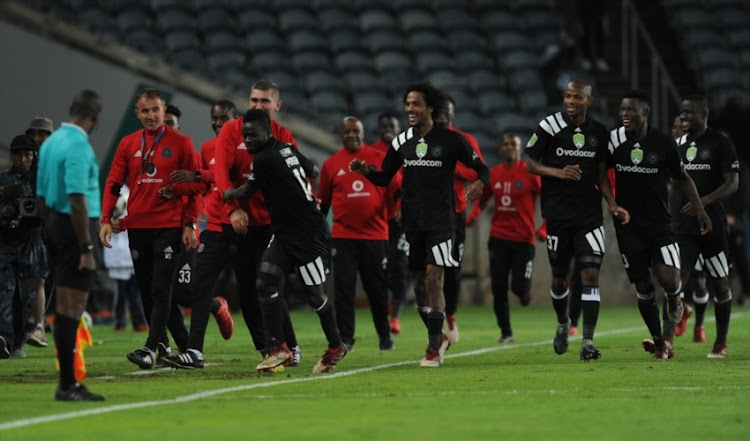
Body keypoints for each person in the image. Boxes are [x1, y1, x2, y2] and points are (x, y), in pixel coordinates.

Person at [349, 82, 489, 367]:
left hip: (441, 222)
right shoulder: (401, 142)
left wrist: (479, 182)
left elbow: (483, 169)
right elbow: (384, 178)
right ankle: (439, 336)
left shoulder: (451, 141)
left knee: (434, 277)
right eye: (408, 104)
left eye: (415, 104)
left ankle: (433, 349)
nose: (409, 109)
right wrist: (366, 171)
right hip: (413, 224)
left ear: (430, 108)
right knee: (418, 283)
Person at [224, 109, 347, 373]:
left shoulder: (264, 160)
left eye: (253, 134)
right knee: (265, 282)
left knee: (315, 296)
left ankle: (336, 345)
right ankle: (278, 348)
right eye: (244, 135)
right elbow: (313, 169)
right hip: (284, 233)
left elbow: (247, 190)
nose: (248, 140)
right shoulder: (286, 148)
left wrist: (226, 193)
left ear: (268, 131)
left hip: (308, 235)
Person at [603, 90, 710, 360]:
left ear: (645, 113)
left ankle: (675, 297)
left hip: (661, 225)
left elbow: (683, 178)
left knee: (670, 280)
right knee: (643, 287)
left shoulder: (663, 143)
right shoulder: (614, 140)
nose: (624, 115)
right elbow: (600, 170)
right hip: (628, 227)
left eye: (631, 110)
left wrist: (700, 210)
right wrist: (612, 204)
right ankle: (661, 344)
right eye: (622, 110)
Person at [99, 88, 200, 369]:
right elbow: (114, 183)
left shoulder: (182, 143)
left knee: (160, 290)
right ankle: (175, 346)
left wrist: (190, 221)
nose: (151, 115)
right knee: (145, 290)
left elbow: (199, 185)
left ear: (164, 110)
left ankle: (149, 348)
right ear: (137, 113)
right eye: (145, 111)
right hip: (137, 227)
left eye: (156, 110)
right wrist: (106, 218)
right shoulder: (127, 144)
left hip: (169, 226)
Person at [212, 81, 302, 364]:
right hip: (238, 224)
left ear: (277, 106)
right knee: (248, 289)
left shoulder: (284, 136)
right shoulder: (231, 130)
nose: (258, 106)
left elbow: (298, 176)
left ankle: (290, 347)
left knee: (269, 284)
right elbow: (221, 175)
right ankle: (267, 349)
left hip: (272, 224)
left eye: (264, 101)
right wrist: (234, 210)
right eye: (253, 100)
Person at [524, 80, 610, 361]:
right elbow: (530, 163)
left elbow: (601, 172)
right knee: (560, 279)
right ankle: (563, 323)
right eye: (567, 96)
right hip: (558, 216)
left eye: (577, 97)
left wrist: (612, 203)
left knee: (590, 274)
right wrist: (559, 173)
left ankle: (587, 341)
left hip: (589, 216)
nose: (571, 101)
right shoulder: (549, 126)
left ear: (589, 101)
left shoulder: (599, 133)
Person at [36, 89, 104, 400]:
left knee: (66, 307)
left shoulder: (51, 143)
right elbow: (78, 199)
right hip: (77, 227)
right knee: (72, 309)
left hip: (55, 224)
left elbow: (41, 196)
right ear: (95, 117)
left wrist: (52, 231)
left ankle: (69, 383)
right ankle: (67, 384)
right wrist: (87, 249)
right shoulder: (79, 146)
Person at [317, 116, 399, 351]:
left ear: (363, 133)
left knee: (377, 289)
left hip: (375, 236)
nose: (352, 135)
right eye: (347, 132)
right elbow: (323, 204)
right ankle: (347, 338)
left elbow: (395, 189)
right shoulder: (331, 165)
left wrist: (398, 216)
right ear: (340, 135)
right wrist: (318, 233)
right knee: (344, 289)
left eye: (356, 131)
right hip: (343, 237)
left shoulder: (380, 159)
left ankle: (384, 335)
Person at [670, 95, 739, 358]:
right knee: (676, 283)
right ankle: (666, 343)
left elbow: (733, 183)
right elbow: (674, 186)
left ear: (704, 114)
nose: (684, 116)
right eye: (682, 112)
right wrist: (670, 216)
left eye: (689, 112)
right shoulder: (677, 145)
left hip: (714, 226)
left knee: (719, 283)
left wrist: (703, 203)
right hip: (683, 226)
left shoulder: (721, 143)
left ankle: (720, 342)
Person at [466, 133, 541, 343]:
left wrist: (545, 227)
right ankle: (506, 332)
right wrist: (473, 216)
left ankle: (524, 292)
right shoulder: (493, 174)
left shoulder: (531, 173)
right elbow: (484, 197)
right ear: (500, 150)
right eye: (505, 144)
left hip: (524, 240)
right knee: (498, 288)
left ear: (520, 149)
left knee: (518, 288)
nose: (509, 147)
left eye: (513, 144)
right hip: (498, 238)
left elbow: (550, 201)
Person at [434, 96, 486, 344]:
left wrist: (451, 168)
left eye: (447, 110)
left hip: (455, 212)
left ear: (453, 114)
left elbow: (479, 171)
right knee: (428, 269)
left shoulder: (464, 140)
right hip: (428, 213)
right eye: (439, 109)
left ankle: (450, 315)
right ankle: (435, 321)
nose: (443, 113)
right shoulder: (422, 139)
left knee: (452, 269)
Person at [0, 135, 45, 359]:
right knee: (4, 291)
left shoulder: (42, 182)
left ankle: (17, 342)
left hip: (31, 243)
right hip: (5, 242)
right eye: (20, 154)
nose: (24, 159)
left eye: (28, 154)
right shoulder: (3, 181)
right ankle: (4, 338)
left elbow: (51, 210)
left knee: (24, 296)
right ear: (13, 155)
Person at [368, 112, 409, 335]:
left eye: (391, 125)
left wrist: (403, 204)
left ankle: (396, 316)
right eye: (383, 125)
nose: (387, 129)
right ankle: (385, 308)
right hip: (375, 221)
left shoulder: (406, 152)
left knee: (400, 266)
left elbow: (411, 182)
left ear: (397, 129)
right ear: (378, 128)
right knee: (380, 269)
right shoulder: (370, 153)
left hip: (399, 220)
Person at [24, 117, 54, 348]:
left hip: (46, 229)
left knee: (40, 279)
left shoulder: (55, 164)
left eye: (43, 134)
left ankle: (40, 326)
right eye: (35, 134)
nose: (38, 138)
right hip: (20, 229)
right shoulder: (21, 162)